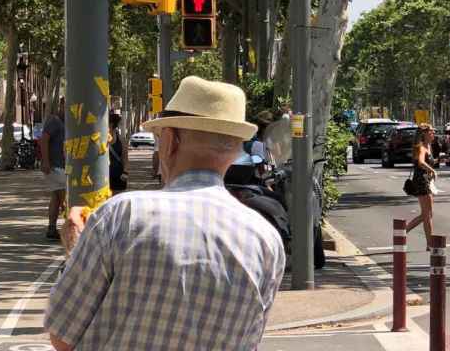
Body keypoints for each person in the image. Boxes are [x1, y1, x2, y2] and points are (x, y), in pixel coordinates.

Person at [44, 76, 285, 351]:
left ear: (170, 142)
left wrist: (77, 249)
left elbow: (62, 337)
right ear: (234, 152)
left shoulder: (123, 214)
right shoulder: (265, 239)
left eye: (159, 137)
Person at [406, 123, 438, 248]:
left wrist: (438, 161)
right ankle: (429, 243)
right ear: (425, 134)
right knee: (427, 214)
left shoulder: (428, 146)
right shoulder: (421, 147)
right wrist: (432, 170)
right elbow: (421, 162)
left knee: (427, 214)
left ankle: (428, 242)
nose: (433, 134)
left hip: (426, 180)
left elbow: (428, 161)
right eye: (431, 132)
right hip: (421, 181)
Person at [39, 99, 66, 241]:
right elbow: (44, 139)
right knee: (65, 199)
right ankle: (72, 228)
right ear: (61, 105)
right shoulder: (55, 120)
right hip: (56, 167)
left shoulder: (69, 122)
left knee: (56, 197)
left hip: (61, 166)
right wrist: (46, 162)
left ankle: (51, 227)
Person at [108, 112, 128, 193]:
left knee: (118, 200)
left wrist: (125, 172)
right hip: (104, 176)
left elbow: (125, 157)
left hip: (119, 175)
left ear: (111, 124)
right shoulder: (100, 138)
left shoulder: (121, 139)